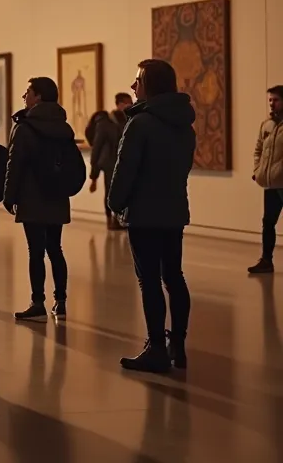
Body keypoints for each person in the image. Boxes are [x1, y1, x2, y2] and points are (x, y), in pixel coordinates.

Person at [110, 60, 196, 373]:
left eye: (137, 80)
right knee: (173, 276)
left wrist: (115, 202)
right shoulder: (183, 124)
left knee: (149, 280)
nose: (133, 86)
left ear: (150, 83)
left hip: (144, 214)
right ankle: (178, 346)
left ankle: (156, 347)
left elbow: (125, 170)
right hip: (174, 211)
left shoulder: (141, 123)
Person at [4, 77, 73, 323]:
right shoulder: (63, 126)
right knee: (55, 248)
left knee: (35, 251)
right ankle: (61, 301)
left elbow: (15, 164)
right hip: (57, 195)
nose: (24, 96)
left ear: (39, 96)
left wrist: (8, 196)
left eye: (28, 92)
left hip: (32, 197)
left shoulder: (24, 127)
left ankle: (37, 302)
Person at [86, 92, 133, 230]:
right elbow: (97, 147)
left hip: (125, 162)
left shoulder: (130, 121)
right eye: (126, 102)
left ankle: (121, 219)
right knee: (110, 192)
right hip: (109, 163)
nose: (129, 105)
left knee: (126, 191)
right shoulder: (105, 123)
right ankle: (110, 219)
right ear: (118, 104)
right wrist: (93, 175)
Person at [249, 86, 283, 274]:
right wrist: (258, 170)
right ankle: (266, 260)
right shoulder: (266, 125)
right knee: (268, 222)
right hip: (270, 185)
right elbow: (258, 151)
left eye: (276, 100)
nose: (272, 103)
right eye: (270, 100)